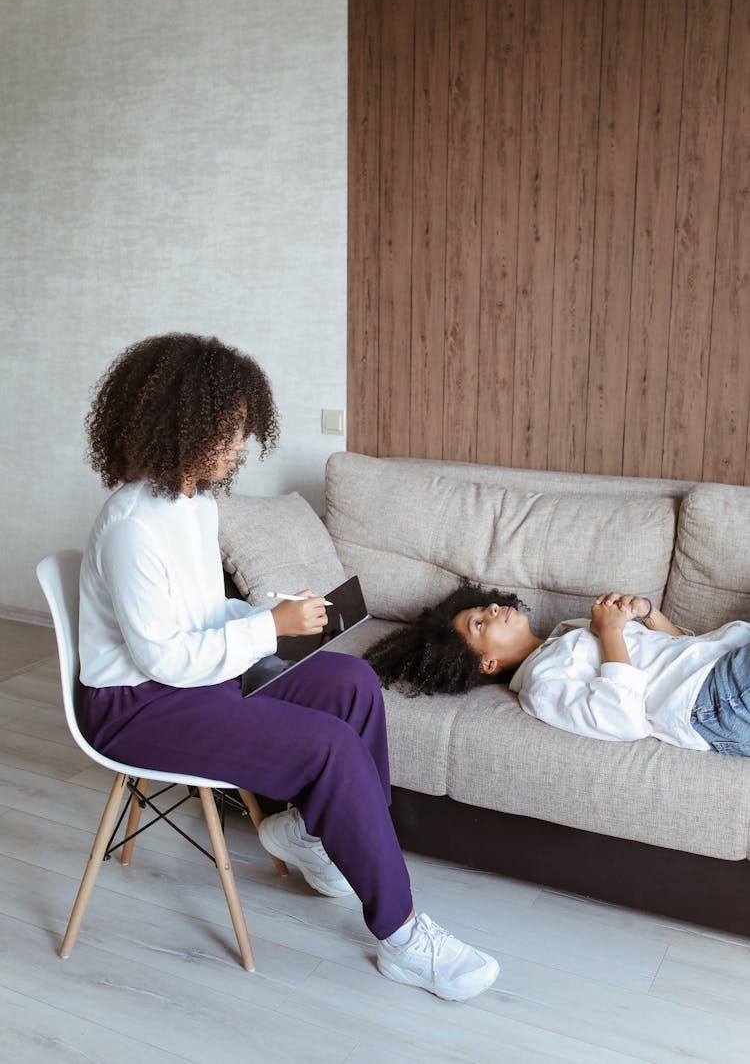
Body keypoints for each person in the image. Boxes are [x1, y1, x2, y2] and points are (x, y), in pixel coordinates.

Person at [78, 333, 499, 1002]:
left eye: (242, 428)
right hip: (137, 706)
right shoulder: (133, 524)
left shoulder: (190, 505)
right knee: (327, 745)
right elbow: (163, 655)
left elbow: (196, 613)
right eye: (230, 428)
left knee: (353, 681)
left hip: (193, 678)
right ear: (180, 423)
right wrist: (266, 629)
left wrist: (270, 611)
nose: (240, 444)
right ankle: (403, 933)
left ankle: (309, 832)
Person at [364, 580, 750, 755]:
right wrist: (612, 631)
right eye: (480, 623)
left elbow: (680, 646)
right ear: (487, 663)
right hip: (710, 700)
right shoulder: (542, 684)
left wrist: (648, 614)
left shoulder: (568, 632)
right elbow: (623, 719)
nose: (493, 609)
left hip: (718, 664)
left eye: (486, 606)